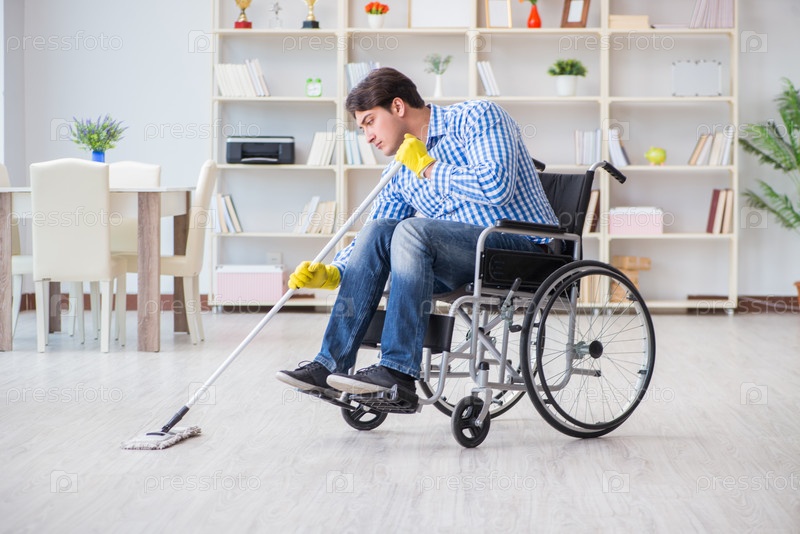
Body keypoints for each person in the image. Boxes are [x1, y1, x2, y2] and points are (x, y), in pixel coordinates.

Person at [276, 67, 557, 398]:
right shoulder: (399, 168)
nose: (367, 136)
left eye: (369, 122)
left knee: (411, 231)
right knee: (381, 230)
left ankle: (397, 372)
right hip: (462, 263)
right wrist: (335, 272)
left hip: (521, 251)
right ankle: (330, 365)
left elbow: (497, 186)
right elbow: (376, 232)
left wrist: (429, 167)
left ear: (397, 106)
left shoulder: (476, 117)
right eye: (362, 128)